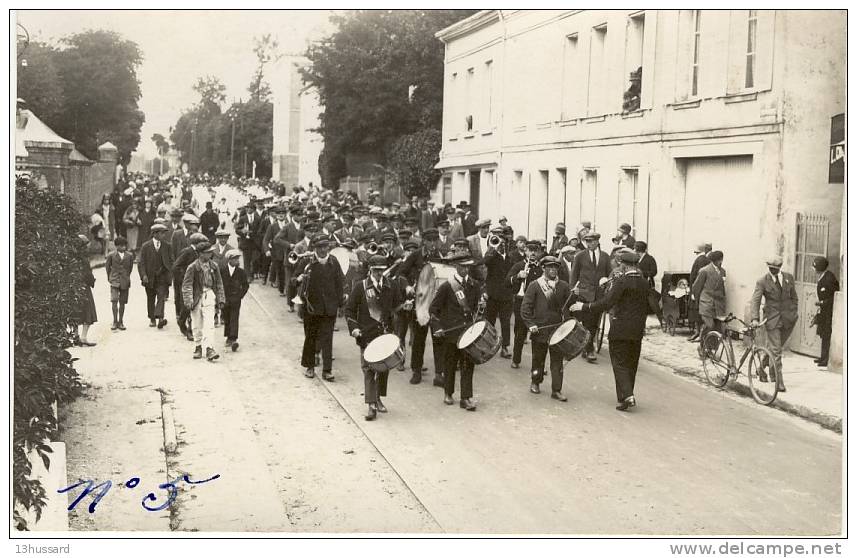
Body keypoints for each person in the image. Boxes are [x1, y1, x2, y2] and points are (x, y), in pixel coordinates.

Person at [571, 250, 649, 411]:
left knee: (619, 362)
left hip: (620, 327)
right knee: (631, 363)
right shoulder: (644, 282)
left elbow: (607, 302)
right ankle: (624, 398)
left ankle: (627, 395)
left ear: (624, 265)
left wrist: (584, 306)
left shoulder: (621, 281)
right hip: (637, 330)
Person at [345, 255, 410, 421]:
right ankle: (371, 405)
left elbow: (396, 307)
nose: (379, 273)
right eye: (376, 270)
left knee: (383, 368)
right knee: (368, 369)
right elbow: (350, 310)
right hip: (366, 334)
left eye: (381, 270)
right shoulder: (361, 287)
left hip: (385, 334)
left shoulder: (391, 285)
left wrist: (405, 306)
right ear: (370, 270)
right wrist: (354, 329)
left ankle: (378, 398)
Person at [430, 254, 486, 411]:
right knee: (450, 364)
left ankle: (466, 397)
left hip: (468, 333)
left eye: (468, 267)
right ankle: (448, 393)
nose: (465, 269)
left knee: (468, 364)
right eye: (463, 267)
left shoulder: (474, 285)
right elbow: (433, 310)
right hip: (451, 334)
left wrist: (481, 309)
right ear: (456, 267)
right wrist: (438, 327)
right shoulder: (447, 286)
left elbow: (476, 308)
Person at [397, 228, 446, 386]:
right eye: (430, 240)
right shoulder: (415, 255)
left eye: (435, 240)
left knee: (439, 337)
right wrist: (407, 288)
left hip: (436, 302)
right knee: (419, 338)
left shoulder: (439, 256)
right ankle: (416, 370)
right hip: (420, 302)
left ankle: (439, 374)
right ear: (424, 241)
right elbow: (400, 274)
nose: (433, 243)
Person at [293, 235, 344, 381]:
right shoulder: (306, 261)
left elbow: (339, 284)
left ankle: (327, 370)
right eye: (319, 247)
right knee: (311, 337)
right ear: (314, 248)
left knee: (328, 339)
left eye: (325, 247)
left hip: (329, 308)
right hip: (311, 307)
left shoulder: (334, 262)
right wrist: (299, 279)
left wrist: (340, 305)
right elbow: (293, 280)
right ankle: (310, 367)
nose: (322, 250)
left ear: (329, 247)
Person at [520, 256, 571, 401]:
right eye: (550, 267)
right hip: (540, 329)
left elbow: (568, 306)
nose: (553, 270)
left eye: (555, 267)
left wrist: (575, 298)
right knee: (538, 359)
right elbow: (525, 308)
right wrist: (530, 324)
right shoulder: (535, 285)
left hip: (558, 329)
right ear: (544, 268)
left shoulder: (564, 286)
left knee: (557, 361)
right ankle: (535, 382)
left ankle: (556, 389)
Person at [749, 256, 797, 392]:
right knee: (776, 350)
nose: (773, 271)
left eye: (775, 269)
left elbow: (794, 297)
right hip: (772, 319)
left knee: (775, 347)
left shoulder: (789, 278)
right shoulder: (762, 281)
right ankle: (778, 380)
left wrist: (794, 312)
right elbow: (755, 300)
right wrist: (754, 318)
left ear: (780, 268)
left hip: (788, 319)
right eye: (771, 269)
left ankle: (761, 368)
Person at [569, 231, 612, 363]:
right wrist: (573, 290)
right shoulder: (580, 256)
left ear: (597, 241)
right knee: (587, 322)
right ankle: (589, 349)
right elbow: (574, 274)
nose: (589, 244)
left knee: (594, 322)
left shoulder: (605, 257)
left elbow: (609, 273)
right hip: (584, 293)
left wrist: (607, 282)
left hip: (599, 294)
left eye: (592, 241)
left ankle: (587, 345)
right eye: (587, 241)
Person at [182, 242, 225, 361]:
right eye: (208, 252)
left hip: (209, 294)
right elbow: (187, 285)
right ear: (200, 254)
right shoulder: (193, 267)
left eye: (211, 252)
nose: (211, 254)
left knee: (209, 324)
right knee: (196, 324)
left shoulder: (214, 266)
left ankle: (209, 348)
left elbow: (219, 283)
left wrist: (221, 298)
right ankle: (198, 346)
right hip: (196, 297)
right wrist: (188, 299)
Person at [507, 240, 544, 369]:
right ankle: (516, 359)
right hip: (521, 303)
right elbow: (507, 281)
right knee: (520, 333)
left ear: (539, 252)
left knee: (538, 336)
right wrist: (517, 276)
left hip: (537, 305)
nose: (533, 253)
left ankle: (539, 364)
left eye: (535, 250)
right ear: (526, 251)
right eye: (530, 250)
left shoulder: (541, 268)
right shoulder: (518, 265)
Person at [483, 226, 515, 359]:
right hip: (493, 294)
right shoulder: (491, 255)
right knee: (489, 321)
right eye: (499, 241)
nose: (502, 244)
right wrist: (493, 249)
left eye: (504, 242)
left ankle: (505, 347)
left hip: (506, 295)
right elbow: (485, 262)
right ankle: (488, 345)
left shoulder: (510, 257)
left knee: (505, 322)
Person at [173, 232, 210, 339]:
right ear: (196, 242)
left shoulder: (200, 252)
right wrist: (184, 278)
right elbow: (176, 267)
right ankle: (182, 321)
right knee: (186, 306)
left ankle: (190, 330)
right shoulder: (187, 252)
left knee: (195, 306)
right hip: (187, 283)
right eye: (202, 243)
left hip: (197, 283)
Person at [138, 223, 173, 328]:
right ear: (155, 234)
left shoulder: (167, 246)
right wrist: (143, 275)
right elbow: (141, 263)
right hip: (149, 276)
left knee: (161, 296)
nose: (164, 235)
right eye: (162, 233)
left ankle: (161, 318)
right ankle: (152, 318)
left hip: (162, 276)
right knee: (151, 297)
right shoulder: (145, 246)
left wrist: (169, 272)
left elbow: (171, 260)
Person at [691, 250, 726, 352]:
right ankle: (702, 347)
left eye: (721, 260)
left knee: (717, 328)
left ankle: (711, 349)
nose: (720, 262)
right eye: (718, 261)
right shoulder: (704, 271)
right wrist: (698, 301)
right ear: (713, 261)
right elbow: (696, 287)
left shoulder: (723, 271)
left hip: (718, 304)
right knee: (709, 325)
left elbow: (722, 288)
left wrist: (722, 300)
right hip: (706, 303)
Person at [812, 256, 839, 367]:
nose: (813, 269)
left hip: (829, 312)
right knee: (823, 334)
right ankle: (823, 357)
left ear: (819, 268)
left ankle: (825, 359)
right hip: (824, 311)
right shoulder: (823, 276)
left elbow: (835, 296)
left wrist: (822, 303)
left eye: (815, 267)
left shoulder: (829, 278)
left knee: (827, 334)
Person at [221, 250, 249, 352]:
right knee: (226, 317)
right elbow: (219, 285)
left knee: (234, 317)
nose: (237, 260)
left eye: (237, 258)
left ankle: (233, 338)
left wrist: (240, 296)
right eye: (234, 258)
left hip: (236, 299)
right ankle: (228, 336)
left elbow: (245, 285)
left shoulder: (241, 272)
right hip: (225, 299)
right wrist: (220, 298)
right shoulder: (222, 271)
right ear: (229, 260)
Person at [106, 236, 134, 331]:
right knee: (114, 300)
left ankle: (121, 321)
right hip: (114, 280)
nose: (123, 248)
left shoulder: (129, 256)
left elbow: (130, 268)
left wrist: (126, 277)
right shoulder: (111, 255)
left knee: (122, 302)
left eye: (124, 246)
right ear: (116, 246)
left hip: (125, 281)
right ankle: (114, 321)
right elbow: (107, 268)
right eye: (121, 246)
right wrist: (110, 278)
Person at [75, 235, 98, 346]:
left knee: (76, 312)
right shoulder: (84, 260)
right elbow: (87, 275)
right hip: (84, 288)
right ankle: (83, 337)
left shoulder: (72, 258)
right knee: (88, 312)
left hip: (73, 288)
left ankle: (75, 336)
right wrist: (92, 281)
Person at [688, 242, 713, 342]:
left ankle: (699, 333)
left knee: (697, 312)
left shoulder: (700, 260)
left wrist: (694, 291)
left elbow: (696, 277)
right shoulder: (704, 259)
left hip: (698, 290)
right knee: (697, 312)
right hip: (698, 289)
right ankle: (698, 332)